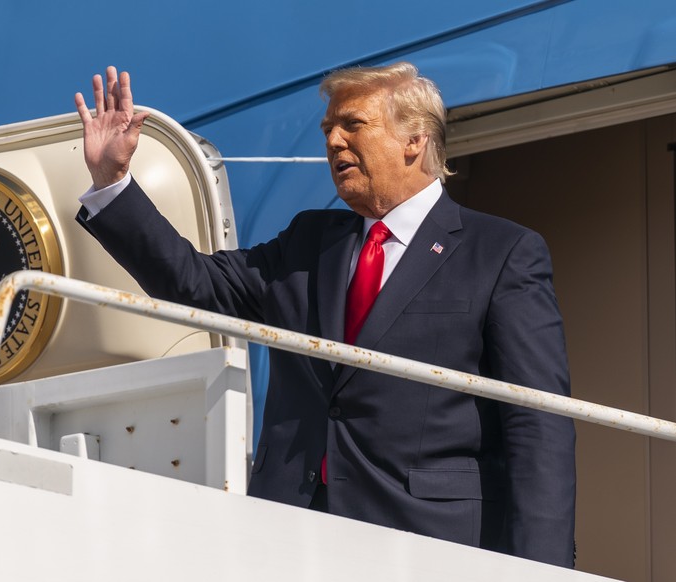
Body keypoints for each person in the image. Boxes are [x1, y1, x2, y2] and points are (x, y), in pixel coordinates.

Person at [73, 64, 576, 568]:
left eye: (353, 125)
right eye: (327, 130)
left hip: (427, 542)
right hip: (291, 534)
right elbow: (192, 281)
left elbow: (539, 424)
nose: (334, 142)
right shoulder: (310, 242)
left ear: (414, 140)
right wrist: (112, 182)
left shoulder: (501, 252)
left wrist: (544, 569)